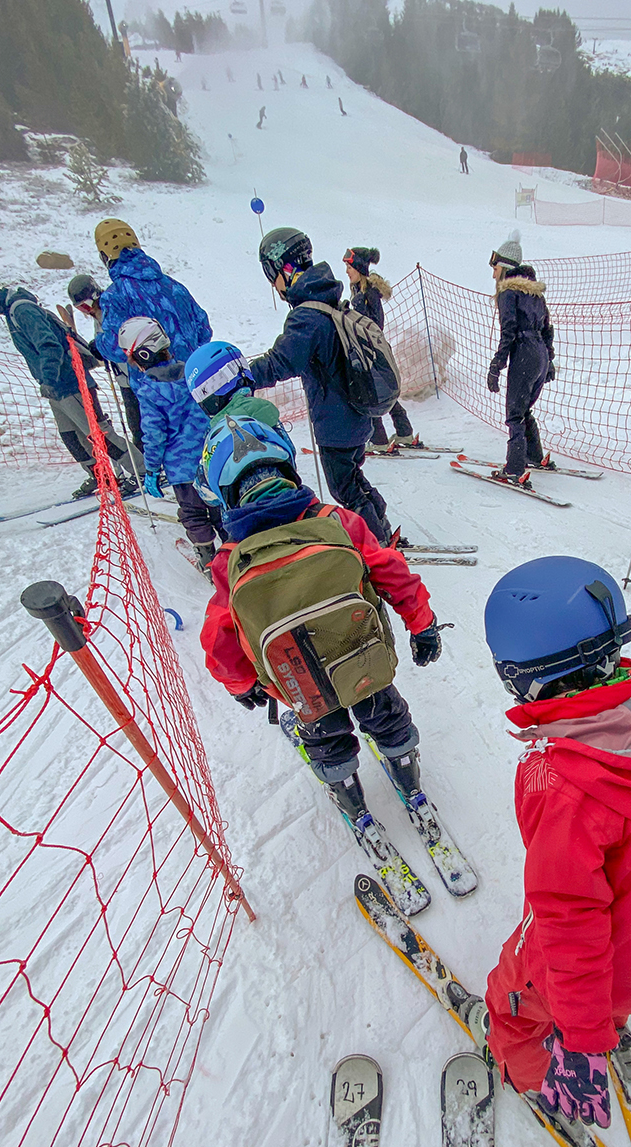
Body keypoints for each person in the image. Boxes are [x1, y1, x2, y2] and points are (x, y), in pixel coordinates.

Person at [481, 557, 631, 1126]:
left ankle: (529, 1071)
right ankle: (605, 1019)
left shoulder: (564, 783)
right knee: (596, 983)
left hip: (596, 973)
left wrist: (582, 1039)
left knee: (509, 995)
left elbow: (567, 917)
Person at [198, 422, 445, 830]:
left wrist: (241, 684)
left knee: (324, 735)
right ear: (287, 467)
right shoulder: (336, 522)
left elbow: (219, 639)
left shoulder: (231, 560)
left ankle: (348, 794)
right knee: (384, 711)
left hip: (298, 677)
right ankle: (405, 766)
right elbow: (391, 571)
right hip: (360, 652)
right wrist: (422, 624)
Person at [249, 227, 394, 546]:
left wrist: (242, 377)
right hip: (355, 413)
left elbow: (281, 361)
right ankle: (380, 520)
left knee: (344, 488)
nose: (273, 286)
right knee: (353, 479)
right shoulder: (328, 299)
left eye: (272, 277)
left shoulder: (306, 315)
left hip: (337, 421)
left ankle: (377, 542)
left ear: (284, 270)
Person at [0, 270, 141, 499]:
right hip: (56, 388)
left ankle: (141, 470)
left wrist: (48, 378)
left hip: (69, 382)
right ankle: (102, 475)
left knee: (99, 433)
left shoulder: (22, 310)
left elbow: (49, 346)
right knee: (72, 437)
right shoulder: (11, 312)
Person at [117, 316, 222, 573]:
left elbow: (154, 435)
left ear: (142, 356)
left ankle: (208, 559)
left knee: (193, 513)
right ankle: (235, 550)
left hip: (182, 470)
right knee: (220, 506)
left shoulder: (150, 392)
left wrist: (151, 469)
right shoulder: (191, 374)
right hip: (213, 458)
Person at [91, 219, 212, 406]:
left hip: (155, 394)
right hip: (194, 383)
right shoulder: (173, 286)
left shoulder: (115, 296)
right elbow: (204, 329)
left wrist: (98, 345)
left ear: (105, 257)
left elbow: (117, 347)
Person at [486, 232, 556, 488]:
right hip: (539, 355)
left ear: (503, 266)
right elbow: (548, 328)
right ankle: (534, 455)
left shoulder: (508, 293)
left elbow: (509, 333)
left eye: (494, 267)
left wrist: (496, 366)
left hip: (525, 354)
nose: (493, 273)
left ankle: (515, 468)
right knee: (524, 408)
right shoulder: (535, 294)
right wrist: (549, 360)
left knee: (514, 413)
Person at [344, 246, 418, 450]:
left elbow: (372, 325)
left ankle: (379, 440)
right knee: (383, 392)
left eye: (349, 266)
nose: (347, 271)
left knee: (371, 395)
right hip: (376, 351)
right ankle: (404, 432)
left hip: (371, 353)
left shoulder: (366, 295)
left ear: (359, 267)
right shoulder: (362, 292)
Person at [66, 273, 143, 455]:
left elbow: (120, 342)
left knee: (145, 422)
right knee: (135, 423)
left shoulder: (112, 309)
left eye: (85, 305)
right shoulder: (98, 315)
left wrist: (102, 346)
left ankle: (151, 461)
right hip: (124, 379)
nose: (86, 311)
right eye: (81, 309)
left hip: (137, 375)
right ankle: (145, 458)